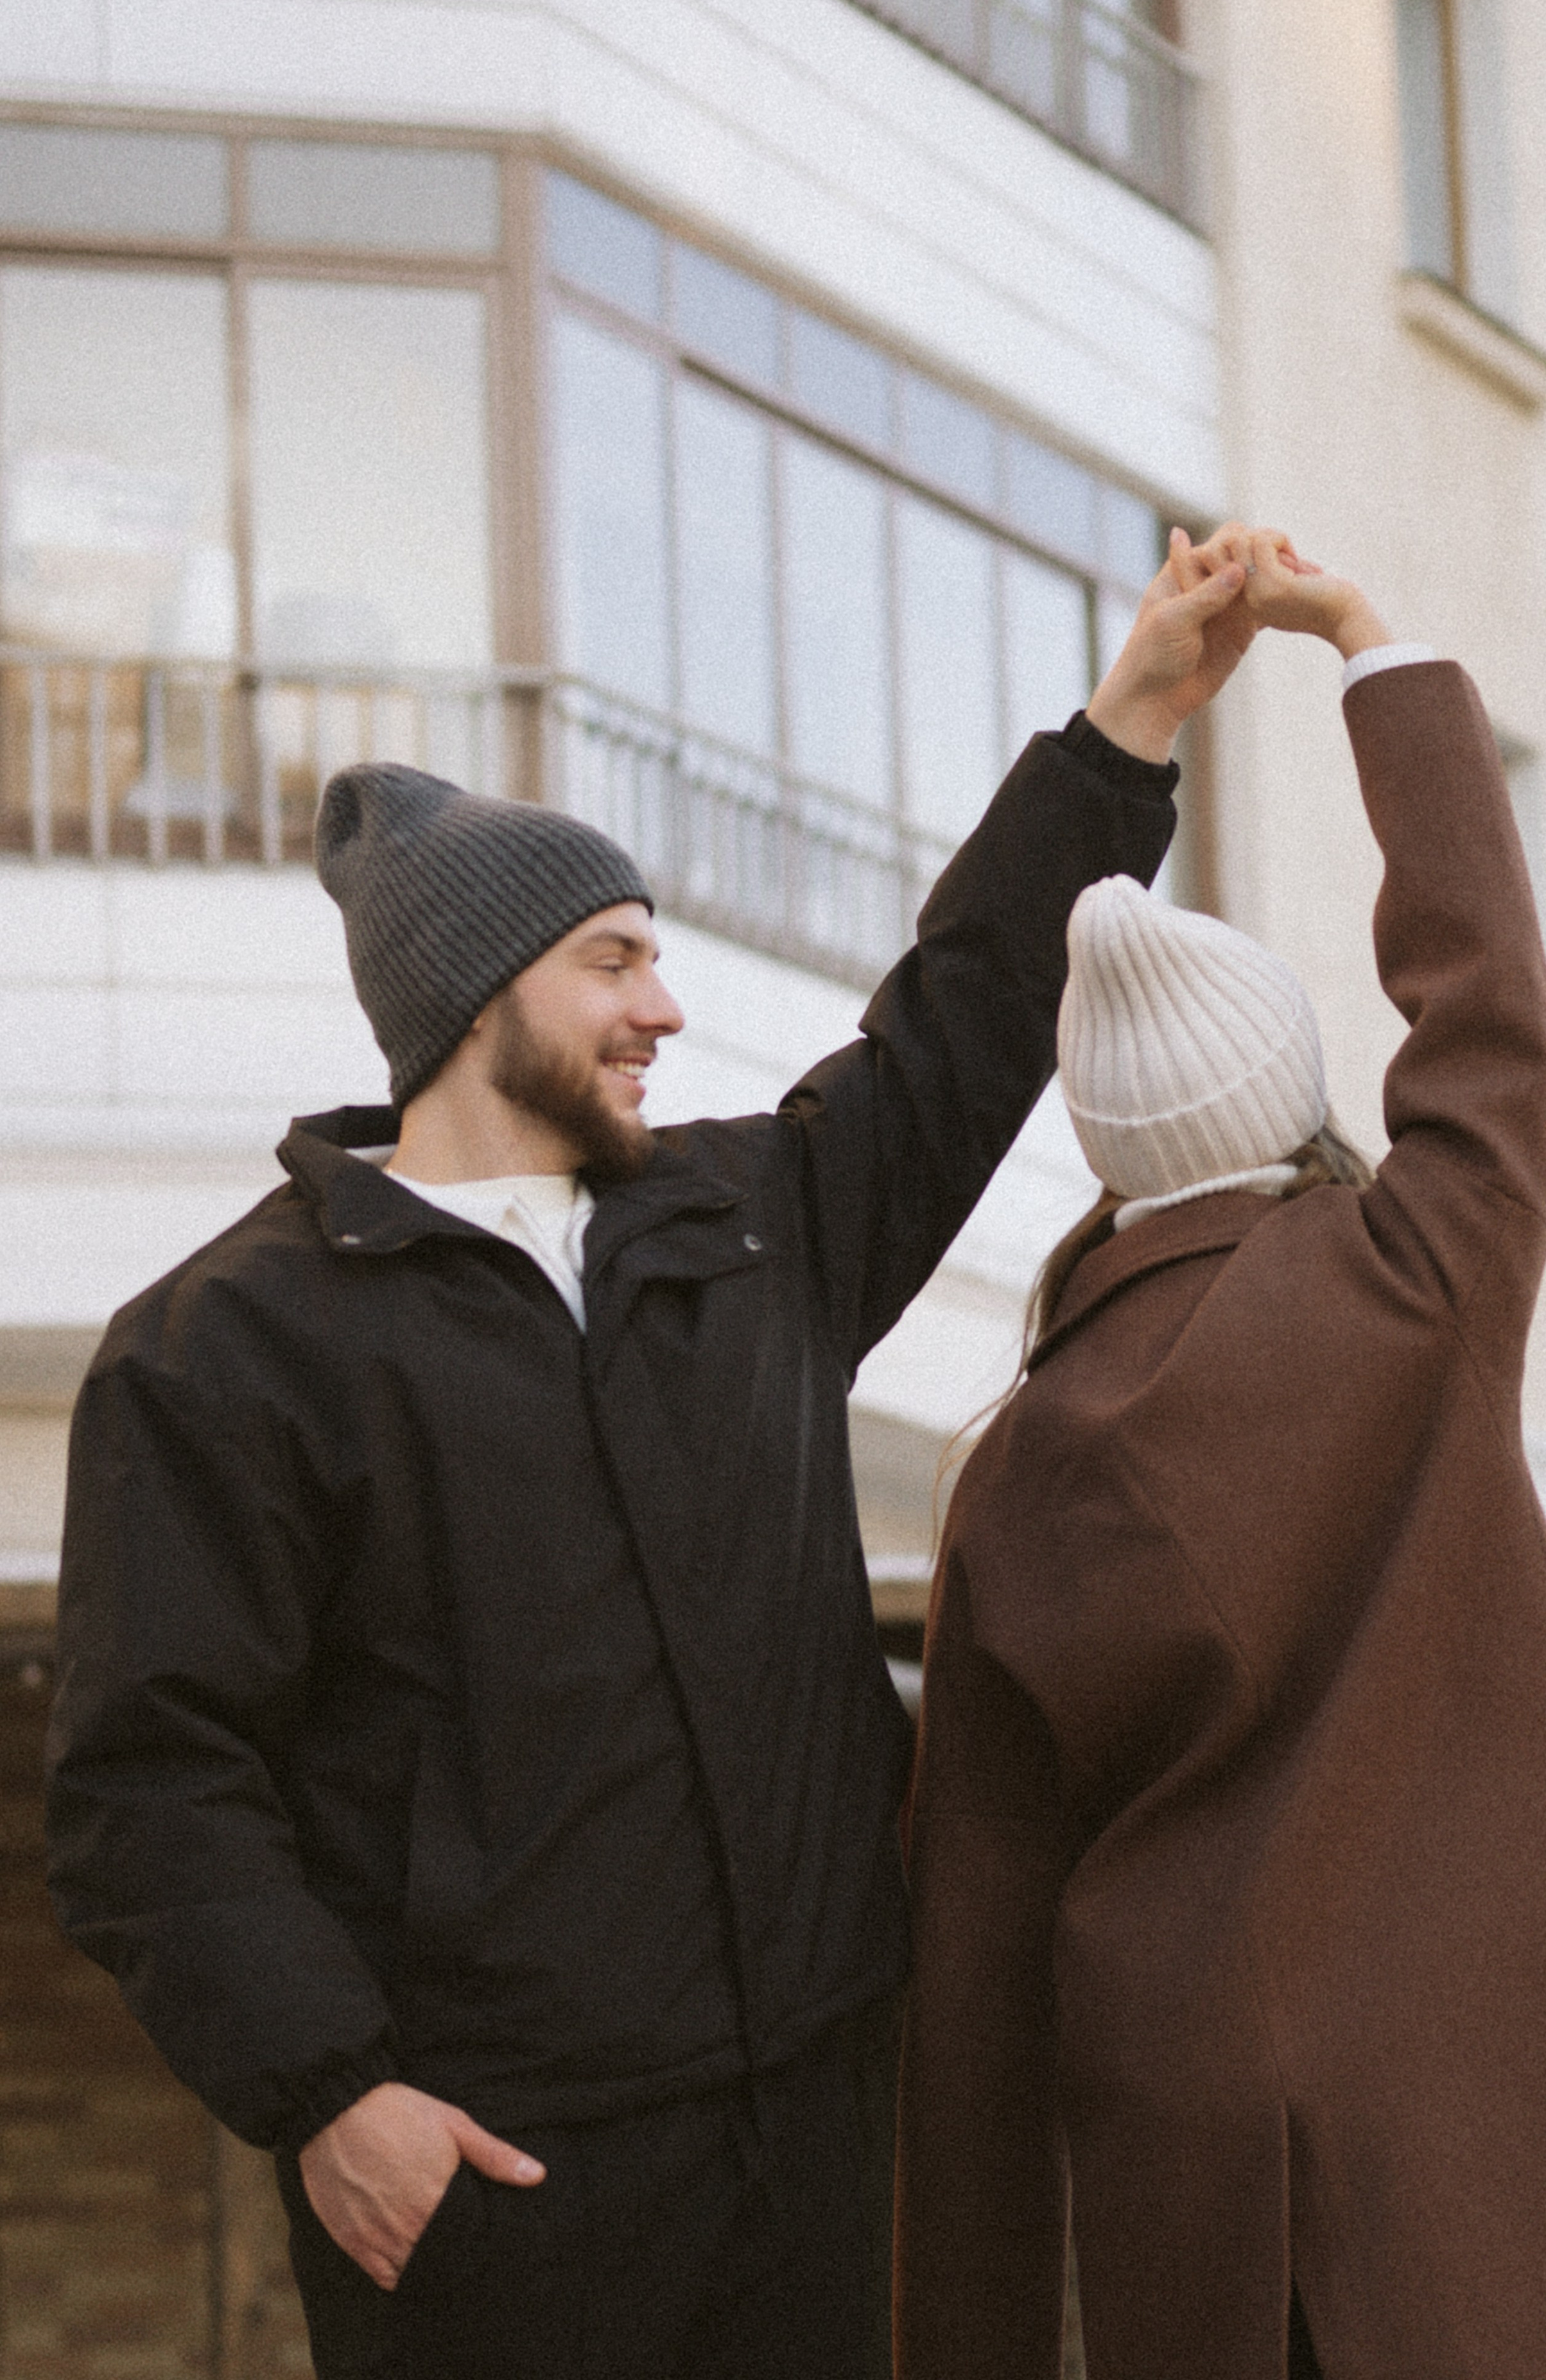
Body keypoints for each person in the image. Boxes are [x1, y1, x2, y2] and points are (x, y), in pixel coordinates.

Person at [43, 524, 1269, 2380]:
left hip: (817, 2141)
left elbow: (957, 1020)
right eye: (614, 960)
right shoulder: (228, 1349)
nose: (665, 1010)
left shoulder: (748, 1226)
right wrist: (331, 2093)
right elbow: (148, 1784)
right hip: (505, 2192)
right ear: (477, 996)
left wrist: (1134, 723)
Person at [894, 531, 1546, 2380]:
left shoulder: (1013, 1476)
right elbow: (1486, 997)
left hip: (1199, 2181)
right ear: (1291, 1098)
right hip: (1498, 2129)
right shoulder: (1415, 1281)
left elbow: (968, 1992)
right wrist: (1367, 647)